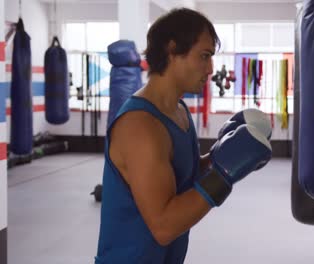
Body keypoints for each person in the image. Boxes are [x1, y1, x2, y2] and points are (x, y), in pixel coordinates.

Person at [95, 8, 272, 264]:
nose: (211, 69)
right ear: (172, 50)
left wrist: (217, 157)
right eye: (204, 56)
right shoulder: (140, 126)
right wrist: (223, 176)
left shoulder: (178, 111)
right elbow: (164, 227)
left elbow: (179, 176)